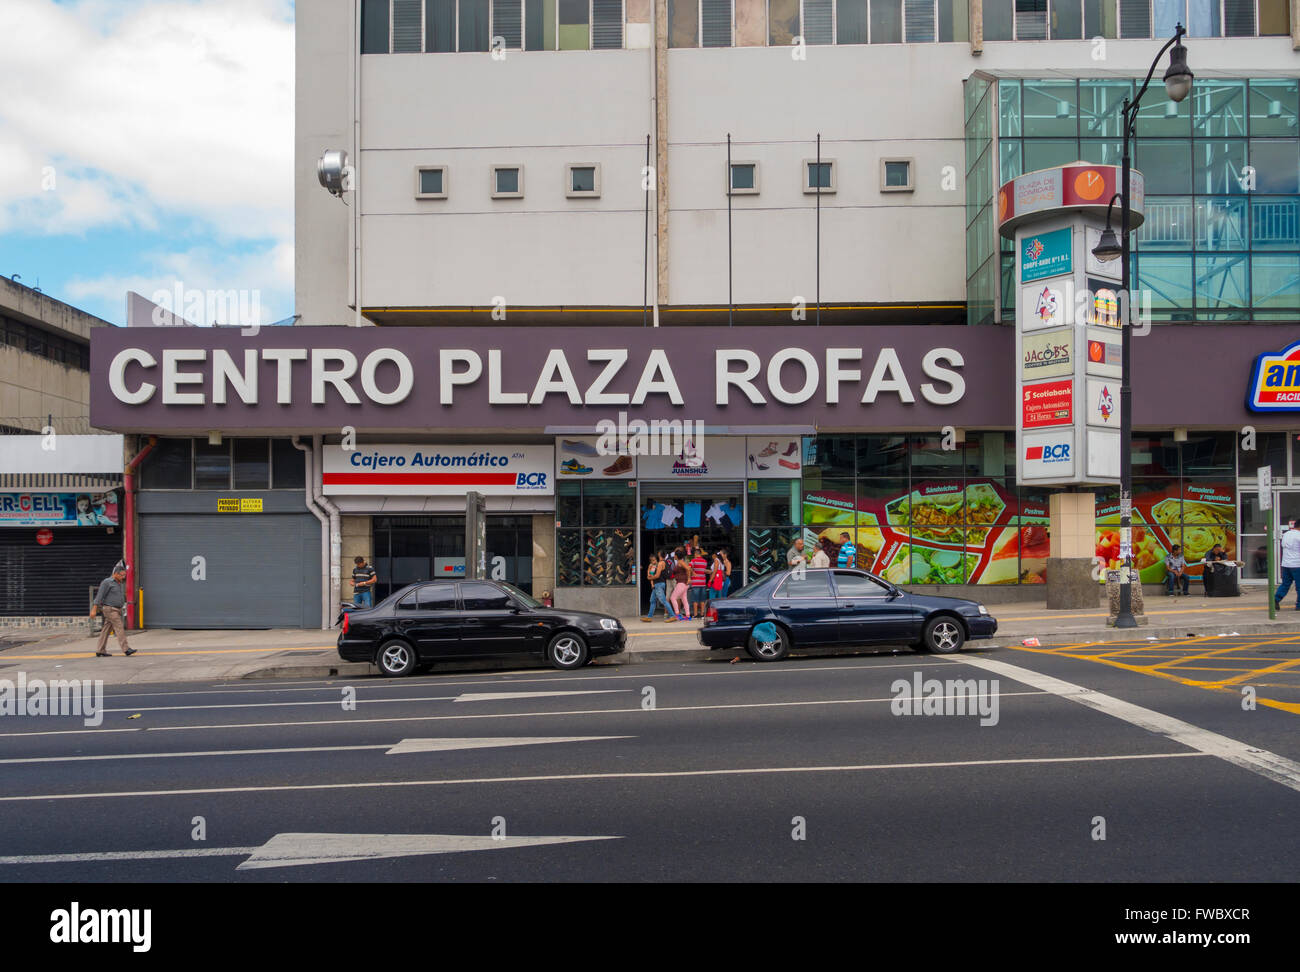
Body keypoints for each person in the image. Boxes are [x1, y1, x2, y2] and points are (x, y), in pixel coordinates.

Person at [90, 561, 135, 657]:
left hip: (116, 610)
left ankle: (100, 650)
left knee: (105, 630)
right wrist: (94, 609)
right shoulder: (107, 582)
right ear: (116, 574)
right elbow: (99, 596)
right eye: (122, 575)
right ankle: (126, 649)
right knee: (119, 627)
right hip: (110, 609)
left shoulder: (118, 583)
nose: (123, 577)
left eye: (124, 575)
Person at [1276, 519, 1300, 610]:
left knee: (1285, 584)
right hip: (1297, 564)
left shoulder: (1286, 534)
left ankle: (1276, 599)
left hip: (1286, 564)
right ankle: (1299, 605)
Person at [643, 553, 672, 622]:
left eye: (655, 559)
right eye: (652, 560)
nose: (654, 561)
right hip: (657, 585)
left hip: (659, 584)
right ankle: (649, 617)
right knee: (652, 601)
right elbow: (650, 575)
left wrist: (649, 577)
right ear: (650, 561)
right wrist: (652, 583)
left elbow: (651, 576)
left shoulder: (658, 565)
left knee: (663, 601)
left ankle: (672, 615)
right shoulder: (654, 566)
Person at [668, 555, 691, 620]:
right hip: (683, 583)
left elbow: (688, 568)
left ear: (677, 556)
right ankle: (688, 615)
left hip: (682, 582)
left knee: (672, 598)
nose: (674, 556)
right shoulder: (679, 562)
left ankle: (677, 614)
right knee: (684, 599)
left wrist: (689, 578)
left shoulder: (681, 562)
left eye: (675, 555)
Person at [689, 546, 709, 618]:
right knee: (702, 600)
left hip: (695, 583)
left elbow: (689, 567)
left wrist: (693, 572)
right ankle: (702, 614)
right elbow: (703, 570)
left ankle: (695, 614)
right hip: (703, 583)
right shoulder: (705, 561)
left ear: (696, 554)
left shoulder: (693, 561)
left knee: (695, 600)